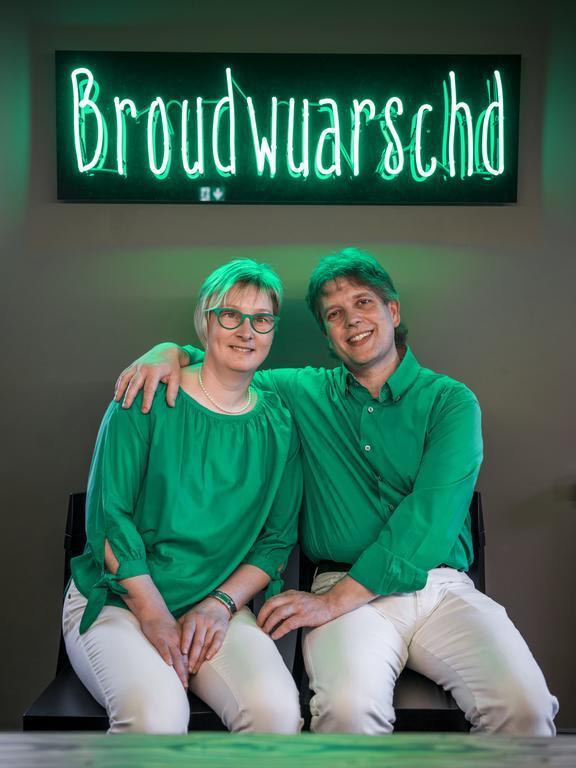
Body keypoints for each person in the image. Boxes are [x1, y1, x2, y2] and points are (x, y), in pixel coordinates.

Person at [114, 248, 558, 735]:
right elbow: (231, 360)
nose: (352, 321)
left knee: (526, 707)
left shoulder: (450, 402)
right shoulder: (302, 392)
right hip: (339, 585)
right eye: (334, 314)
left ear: (392, 311)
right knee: (347, 711)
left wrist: (332, 603)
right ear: (327, 335)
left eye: (363, 303)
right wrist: (169, 352)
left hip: (438, 589)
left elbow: (428, 522)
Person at [63, 259, 303, 734]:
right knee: (156, 717)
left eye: (261, 319)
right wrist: (154, 616)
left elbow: (275, 541)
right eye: (230, 315)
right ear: (205, 321)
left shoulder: (279, 424)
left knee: (275, 715)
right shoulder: (146, 396)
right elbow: (110, 518)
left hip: (212, 604)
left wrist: (220, 604)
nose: (247, 331)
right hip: (120, 601)